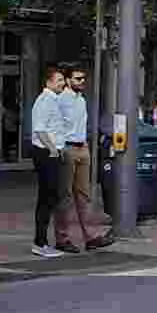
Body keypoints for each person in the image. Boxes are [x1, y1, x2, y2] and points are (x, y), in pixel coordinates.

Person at [56, 67, 113, 253]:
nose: (82, 81)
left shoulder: (81, 100)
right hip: (67, 148)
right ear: (68, 80)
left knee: (84, 195)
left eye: (83, 78)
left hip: (83, 148)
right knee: (64, 197)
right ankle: (62, 238)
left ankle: (90, 237)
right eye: (77, 78)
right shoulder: (60, 99)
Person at [30, 66, 69, 259]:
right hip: (46, 153)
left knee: (51, 197)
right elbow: (39, 129)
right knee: (47, 197)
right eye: (59, 80)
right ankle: (40, 242)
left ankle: (42, 241)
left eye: (63, 80)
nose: (63, 83)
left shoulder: (54, 100)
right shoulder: (45, 100)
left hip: (53, 152)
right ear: (48, 82)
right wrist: (52, 148)